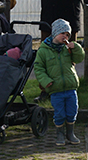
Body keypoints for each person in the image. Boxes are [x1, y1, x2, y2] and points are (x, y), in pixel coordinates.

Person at [34, 18, 85, 146]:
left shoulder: (68, 48)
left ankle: (70, 133)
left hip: (70, 86)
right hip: (55, 88)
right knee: (60, 113)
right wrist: (46, 81)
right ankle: (60, 134)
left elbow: (79, 58)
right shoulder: (44, 50)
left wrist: (76, 47)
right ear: (55, 33)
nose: (65, 36)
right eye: (62, 33)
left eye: (67, 34)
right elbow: (39, 68)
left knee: (72, 111)